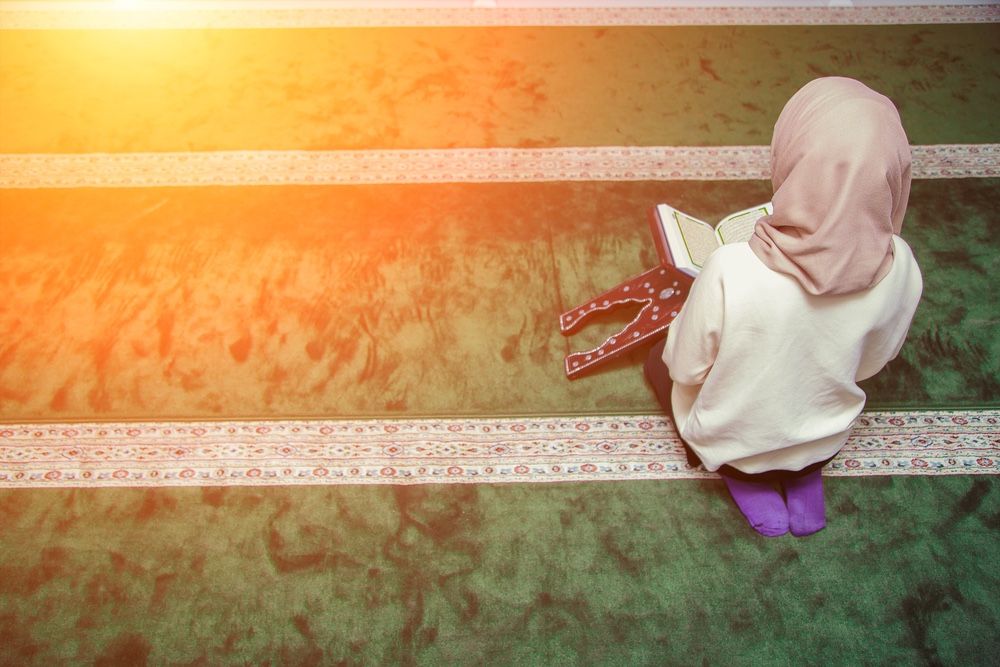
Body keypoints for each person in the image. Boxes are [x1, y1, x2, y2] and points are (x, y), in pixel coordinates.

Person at [644, 77, 923, 537]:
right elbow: (871, 364)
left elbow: (686, 368)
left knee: (659, 358)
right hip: (824, 436)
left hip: (733, 443)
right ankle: (803, 473)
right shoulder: (903, 266)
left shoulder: (732, 268)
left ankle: (745, 479)